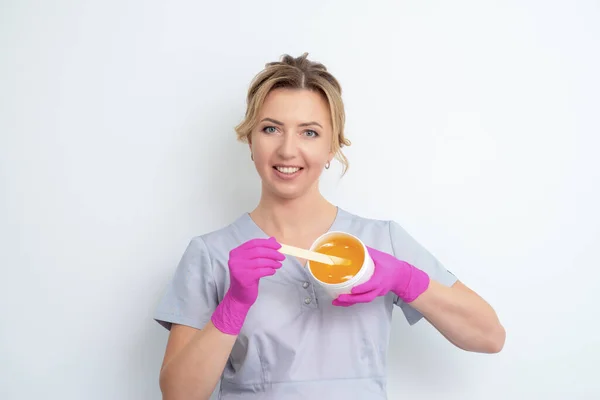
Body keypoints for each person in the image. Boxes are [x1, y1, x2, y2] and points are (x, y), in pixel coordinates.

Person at [153, 53, 505, 400]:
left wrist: (407, 280)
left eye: (309, 132)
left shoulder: (383, 240)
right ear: (250, 140)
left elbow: (489, 337)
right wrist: (234, 304)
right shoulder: (211, 254)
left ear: (332, 146)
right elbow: (179, 395)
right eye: (271, 129)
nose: (288, 150)